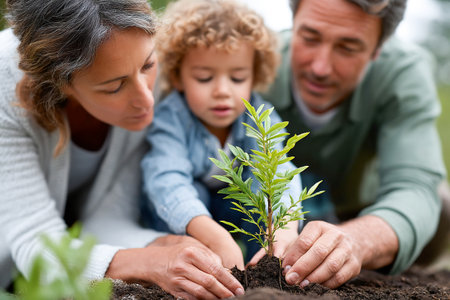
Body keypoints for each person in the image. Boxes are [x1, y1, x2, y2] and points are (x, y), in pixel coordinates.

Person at [0, 1, 245, 299]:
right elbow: (36, 246)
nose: (147, 101)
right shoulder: (4, 83)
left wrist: (165, 246)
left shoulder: (151, 57)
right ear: (60, 83)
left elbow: (107, 218)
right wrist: (147, 263)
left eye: (148, 66)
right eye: (114, 87)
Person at [259, 0, 448, 289]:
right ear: (293, 22)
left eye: (347, 48)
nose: (320, 67)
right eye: (309, 38)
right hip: (263, 219)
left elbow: (415, 184)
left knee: (441, 203)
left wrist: (358, 241)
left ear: (377, 50)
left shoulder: (403, 72)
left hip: (359, 208)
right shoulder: (249, 64)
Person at [140, 0, 302, 270]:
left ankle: (266, 263)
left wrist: (285, 228)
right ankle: (198, 264)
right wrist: (214, 237)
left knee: (258, 189)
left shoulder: (259, 116)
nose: (222, 91)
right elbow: (166, 179)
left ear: (254, 76)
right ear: (178, 76)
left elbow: (278, 169)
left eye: (237, 78)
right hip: (184, 217)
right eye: (204, 78)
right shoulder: (172, 118)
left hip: (229, 207)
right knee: (193, 196)